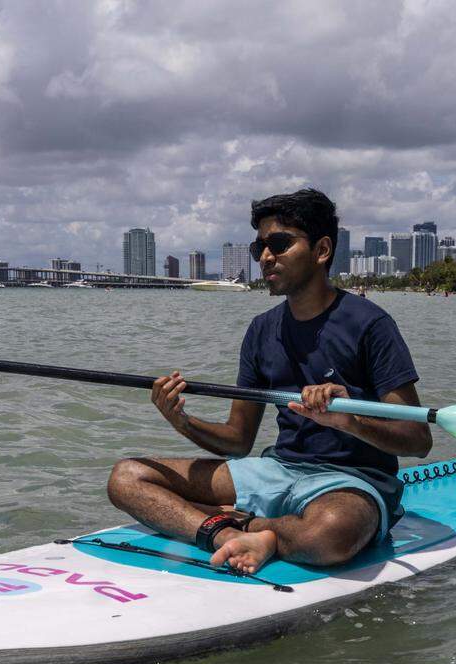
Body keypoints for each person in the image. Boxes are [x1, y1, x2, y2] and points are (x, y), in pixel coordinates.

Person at [107, 188, 432, 575]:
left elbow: (418, 440)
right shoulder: (262, 331)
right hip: (278, 472)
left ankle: (247, 525)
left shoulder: (370, 325)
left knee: (329, 533)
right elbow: (238, 440)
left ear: (322, 250)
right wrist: (183, 422)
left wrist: (350, 422)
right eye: (258, 247)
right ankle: (228, 534)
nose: (265, 257)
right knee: (127, 477)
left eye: (278, 243)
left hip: (352, 482)